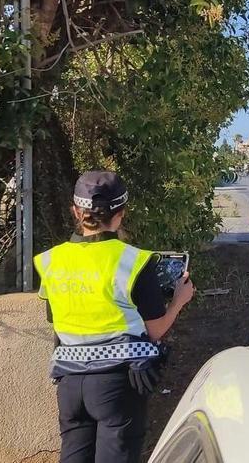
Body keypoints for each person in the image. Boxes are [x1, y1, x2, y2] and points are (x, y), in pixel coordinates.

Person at [34, 171, 195, 463]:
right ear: (121, 214)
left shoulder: (51, 261)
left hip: (70, 384)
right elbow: (156, 330)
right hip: (117, 384)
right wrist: (178, 302)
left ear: (75, 211)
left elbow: (56, 322)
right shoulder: (135, 261)